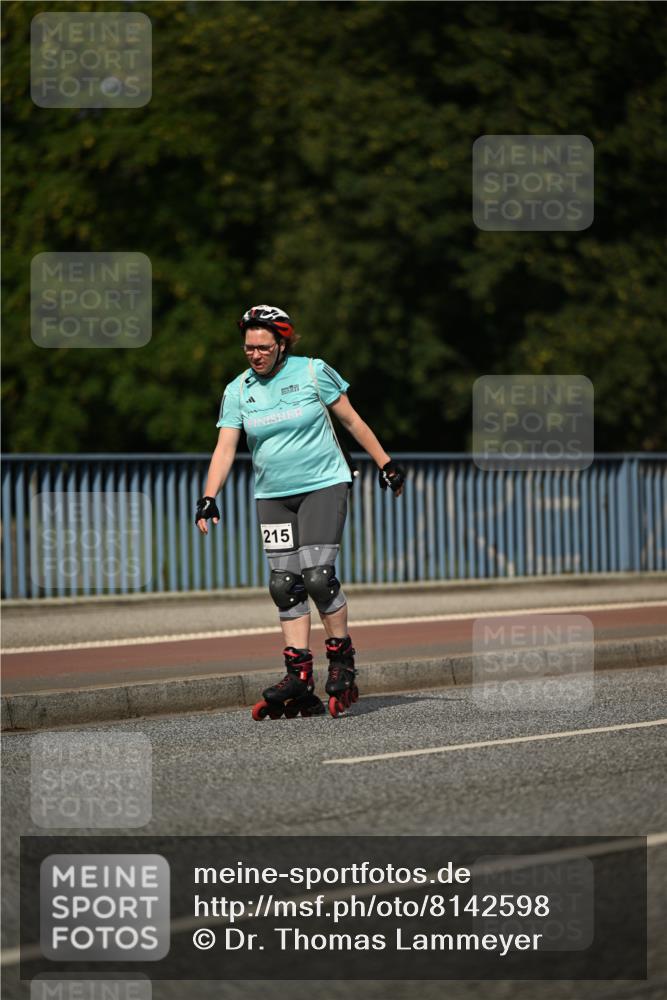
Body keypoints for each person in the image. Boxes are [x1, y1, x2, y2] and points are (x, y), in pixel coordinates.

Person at [195, 305, 405, 720]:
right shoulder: (238, 389)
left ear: (282, 344)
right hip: (272, 494)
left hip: (325, 485)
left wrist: (386, 464)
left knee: (317, 577)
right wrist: (209, 496)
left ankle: (342, 662)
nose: (254, 355)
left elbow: (351, 420)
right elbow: (225, 447)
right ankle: (299, 676)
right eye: (248, 347)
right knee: (284, 583)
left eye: (263, 347)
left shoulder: (312, 372)